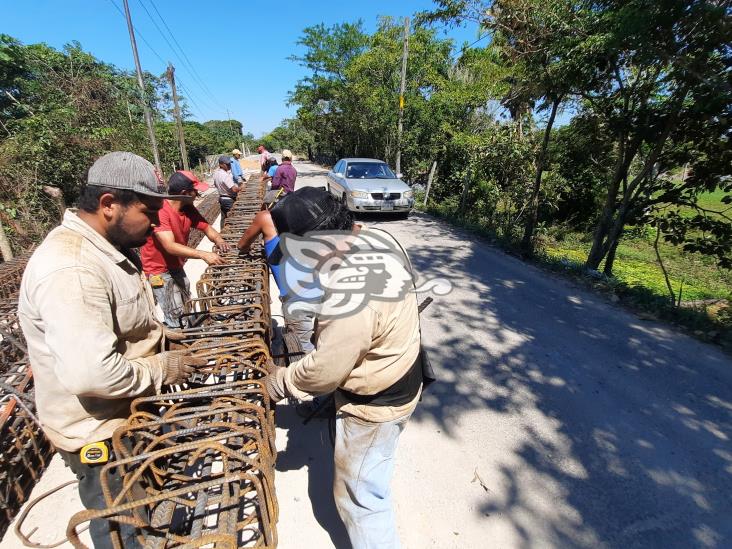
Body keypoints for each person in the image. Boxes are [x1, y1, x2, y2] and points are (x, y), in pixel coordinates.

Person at [17, 151, 205, 549]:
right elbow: (93, 374)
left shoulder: (105, 248)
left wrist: (162, 338)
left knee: (145, 501)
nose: (157, 222)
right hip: (99, 435)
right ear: (108, 205)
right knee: (122, 528)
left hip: (124, 416)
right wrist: (161, 368)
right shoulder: (72, 268)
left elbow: (119, 325)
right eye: (148, 210)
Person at [264, 187, 421, 549]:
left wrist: (281, 381)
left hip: (377, 401)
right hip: (401, 367)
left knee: (362, 499)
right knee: (372, 476)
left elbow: (324, 371)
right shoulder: (376, 237)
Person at [141, 170, 231, 328]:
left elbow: (207, 228)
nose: (197, 194)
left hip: (176, 264)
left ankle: (187, 329)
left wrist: (219, 240)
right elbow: (169, 246)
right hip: (158, 270)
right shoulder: (162, 211)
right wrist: (203, 255)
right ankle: (179, 338)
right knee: (174, 311)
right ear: (185, 193)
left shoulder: (188, 209)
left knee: (185, 299)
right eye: (195, 191)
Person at [236, 208, 315, 352]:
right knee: (323, 338)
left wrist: (257, 247)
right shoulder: (306, 214)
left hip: (296, 298)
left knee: (303, 352)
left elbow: (242, 245)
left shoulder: (266, 217)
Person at [213, 155, 239, 223]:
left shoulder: (216, 173)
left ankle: (222, 233)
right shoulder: (225, 175)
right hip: (228, 200)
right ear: (221, 164)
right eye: (227, 164)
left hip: (222, 199)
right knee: (234, 218)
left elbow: (216, 185)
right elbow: (234, 189)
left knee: (224, 218)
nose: (229, 165)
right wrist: (241, 188)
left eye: (229, 163)